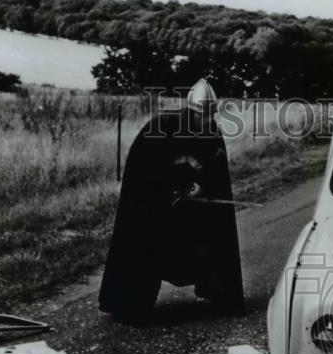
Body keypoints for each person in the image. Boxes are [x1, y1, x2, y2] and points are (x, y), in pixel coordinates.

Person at [99, 81, 245, 323]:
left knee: (212, 234)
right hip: (155, 207)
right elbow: (143, 174)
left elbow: (214, 172)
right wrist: (168, 190)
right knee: (145, 244)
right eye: (202, 115)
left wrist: (202, 186)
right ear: (192, 111)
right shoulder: (161, 128)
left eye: (211, 116)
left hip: (190, 207)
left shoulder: (211, 133)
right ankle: (130, 305)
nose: (207, 121)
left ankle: (220, 292)